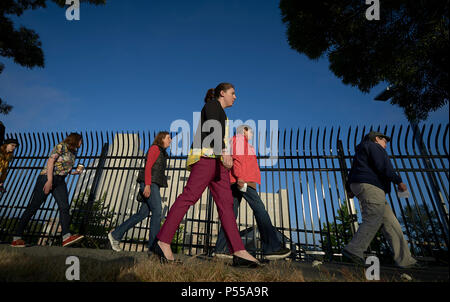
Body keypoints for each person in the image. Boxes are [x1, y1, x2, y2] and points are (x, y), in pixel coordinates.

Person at [152, 83, 262, 267]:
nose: (235, 97)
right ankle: (162, 242)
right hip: (206, 159)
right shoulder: (212, 105)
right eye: (233, 93)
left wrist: (223, 156)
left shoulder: (223, 114)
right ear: (222, 93)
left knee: (226, 206)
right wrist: (224, 152)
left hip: (219, 166)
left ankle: (239, 251)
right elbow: (212, 128)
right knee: (189, 197)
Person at [342, 131, 420, 268]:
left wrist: (350, 189)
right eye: (385, 141)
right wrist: (398, 181)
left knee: (392, 224)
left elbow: (353, 170)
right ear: (377, 139)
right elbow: (383, 166)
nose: (386, 145)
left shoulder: (362, 150)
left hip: (362, 185)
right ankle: (353, 250)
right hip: (372, 186)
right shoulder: (374, 147)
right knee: (373, 217)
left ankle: (406, 261)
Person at [214, 125, 291, 260]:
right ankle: (272, 247)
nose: (252, 134)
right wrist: (240, 177)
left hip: (240, 180)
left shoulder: (243, 143)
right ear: (243, 130)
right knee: (260, 209)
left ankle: (221, 248)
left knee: (231, 214)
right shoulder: (238, 139)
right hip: (243, 181)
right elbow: (238, 159)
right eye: (250, 131)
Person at [11, 133, 85, 248]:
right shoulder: (61, 146)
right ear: (75, 140)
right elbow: (50, 162)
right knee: (34, 206)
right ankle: (16, 237)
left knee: (64, 206)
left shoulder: (73, 152)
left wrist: (75, 172)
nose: (81, 143)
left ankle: (66, 237)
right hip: (47, 177)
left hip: (60, 180)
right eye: (80, 140)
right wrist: (49, 181)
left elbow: (64, 167)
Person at [108, 131, 171, 254]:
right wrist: (147, 185)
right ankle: (153, 248)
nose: (171, 140)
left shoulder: (162, 153)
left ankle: (115, 235)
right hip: (149, 184)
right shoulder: (155, 148)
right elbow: (148, 166)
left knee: (141, 214)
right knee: (157, 211)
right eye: (168, 138)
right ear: (161, 138)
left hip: (153, 185)